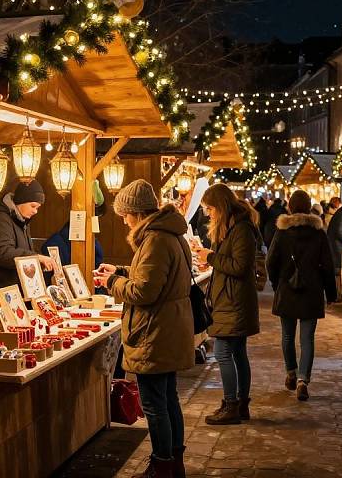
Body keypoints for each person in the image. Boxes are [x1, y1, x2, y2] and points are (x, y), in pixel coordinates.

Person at [93, 179, 193, 478]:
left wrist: (110, 283)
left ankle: (162, 465)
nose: (124, 221)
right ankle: (173, 463)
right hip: (168, 327)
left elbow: (144, 292)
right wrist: (120, 271)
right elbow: (153, 277)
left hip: (155, 331)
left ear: (136, 213)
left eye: (125, 215)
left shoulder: (156, 239)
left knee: (154, 403)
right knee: (168, 398)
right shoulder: (168, 235)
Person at [194, 184, 259, 425]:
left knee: (223, 353)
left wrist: (210, 257)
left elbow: (240, 266)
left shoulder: (241, 229)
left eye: (210, 208)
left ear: (221, 206)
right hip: (231, 299)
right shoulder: (232, 228)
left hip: (234, 301)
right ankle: (241, 404)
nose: (208, 213)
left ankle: (232, 404)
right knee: (238, 353)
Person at [266, 190, 336, 401]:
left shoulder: (282, 232)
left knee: (287, 336)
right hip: (311, 291)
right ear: (308, 207)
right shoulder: (318, 233)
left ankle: (291, 372)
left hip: (287, 289)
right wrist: (330, 292)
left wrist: (277, 281)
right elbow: (328, 266)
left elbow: (271, 261)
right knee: (307, 339)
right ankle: (303, 380)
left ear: (290, 207)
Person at [0, 180, 56, 287]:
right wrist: (37, 257)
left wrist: (39, 262)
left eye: (38, 208)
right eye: (33, 206)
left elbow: (25, 252)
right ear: (21, 201)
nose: (35, 211)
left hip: (19, 289)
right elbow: (3, 253)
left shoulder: (22, 221)